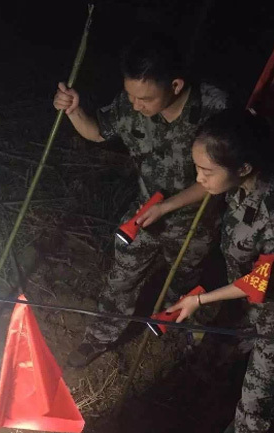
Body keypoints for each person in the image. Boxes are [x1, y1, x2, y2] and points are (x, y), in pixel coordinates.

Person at [53, 34, 230, 368]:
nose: (135, 105)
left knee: (185, 282)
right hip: (146, 212)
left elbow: (217, 181)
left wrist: (168, 207)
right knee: (122, 275)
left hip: (195, 221)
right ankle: (100, 336)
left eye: (144, 98)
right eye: (131, 95)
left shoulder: (213, 109)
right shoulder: (133, 101)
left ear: (175, 85)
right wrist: (74, 112)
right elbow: (98, 132)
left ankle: (180, 337)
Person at [167, 108, 274, 433]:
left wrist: (202, 300)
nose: (200, 179)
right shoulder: (236, 187)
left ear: (244, 167)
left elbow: (260, 281)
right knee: (215, 359)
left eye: (206, 171)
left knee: (257, 398)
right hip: (251, 303)